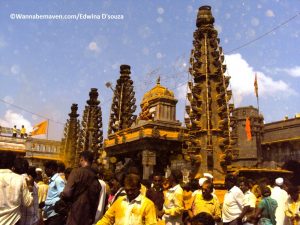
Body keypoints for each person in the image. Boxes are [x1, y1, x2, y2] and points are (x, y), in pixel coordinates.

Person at [61, 150, 101, 225]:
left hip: (75, 215)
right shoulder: (96, 179)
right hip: (88, 218)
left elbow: (66, 193)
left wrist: (62, 196)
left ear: (82, 159)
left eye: (80, 160)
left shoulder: (76, 172)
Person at [0, 152, 33, 225]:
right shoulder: (19, 179)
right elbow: (28, 203)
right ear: (12, 165)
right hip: (13, 221)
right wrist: (30, 188)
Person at [43, 160, 66, 225]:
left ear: (51, 169)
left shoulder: (58, 180)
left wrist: (46, 203)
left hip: (55, 215)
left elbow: (62, 198)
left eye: (46, 169)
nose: (45, 171)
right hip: (49, 214)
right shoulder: (52, 180)